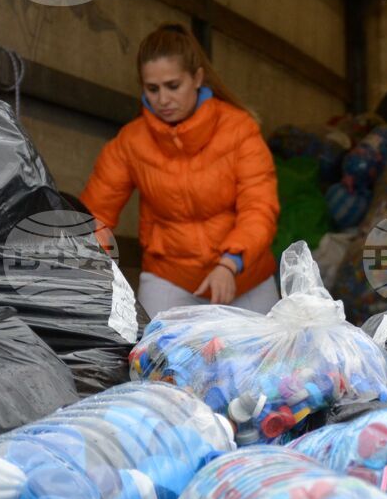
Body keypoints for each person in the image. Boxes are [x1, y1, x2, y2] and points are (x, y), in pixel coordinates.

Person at [81, 23, 279, 317]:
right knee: (153, 359)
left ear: (197, 78)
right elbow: (95, 215)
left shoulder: (240, 129)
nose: (163, 99)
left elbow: (260, 208)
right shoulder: (130, 142)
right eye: (152, 89)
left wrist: (229, 263)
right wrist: (88, 266)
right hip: (169, 277)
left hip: (243, 276)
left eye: (173, 86)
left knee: (269, 360)